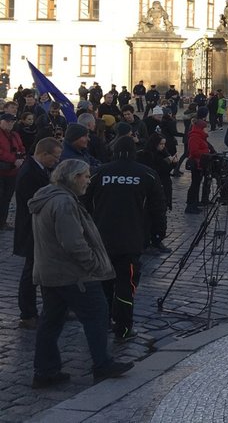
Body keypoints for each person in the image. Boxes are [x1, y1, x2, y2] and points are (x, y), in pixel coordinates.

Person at [29, 159, 134, 387]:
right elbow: (73, 242)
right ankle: (102, 364)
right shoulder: (64, 202)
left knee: (51, 321)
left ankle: (45, 370)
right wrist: (93, 264)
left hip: (51, 271)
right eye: (86, 176)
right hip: (72, 274)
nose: (88, 180)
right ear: (74, 177)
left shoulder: (48, 196)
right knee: (96, 314)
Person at [85, 136, 166, 341]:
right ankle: (123, 327)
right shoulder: (147, 174)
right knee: (125, 285)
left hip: (101, 238)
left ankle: (103, 322)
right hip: (131, 239)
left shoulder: (99, 172)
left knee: (103, 284)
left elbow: (84, 203)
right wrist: (158, 234)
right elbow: (158, 208)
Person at [13, 137, 62, 329]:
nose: (56, 161)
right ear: (44, 154)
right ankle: (27, 313)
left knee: (38, 269)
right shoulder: (29, 173)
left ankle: (42, 310)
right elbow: (36, 202)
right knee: (31, 271)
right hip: (31, 229)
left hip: (38, 228)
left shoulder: (39, 169)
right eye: (55, 157)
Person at [0, 111, 26, 229]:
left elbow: (21, 147)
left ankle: (2, 222)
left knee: (7, 198)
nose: (10, 124)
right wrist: (13, 159)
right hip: (2, 171)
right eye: (7, 121)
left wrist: (21, 158)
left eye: (12, 122)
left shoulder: (15, 135)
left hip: (12, 172)